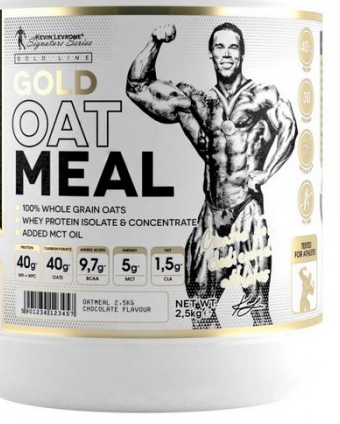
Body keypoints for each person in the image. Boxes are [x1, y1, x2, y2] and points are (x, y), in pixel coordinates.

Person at [126, 22, 297, 328]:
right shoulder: (198, 102)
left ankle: (259, 353)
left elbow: (289, 127)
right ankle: (207, 355)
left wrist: (266, 171)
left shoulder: (261, 96)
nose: (226, 54)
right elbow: (137, 87)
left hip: (246, 210)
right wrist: (154, 42)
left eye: (233, 47)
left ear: (242, 53)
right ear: (211, 54)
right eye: (220, 47)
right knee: (199, 310)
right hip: (211, 214)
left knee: (258, 309)